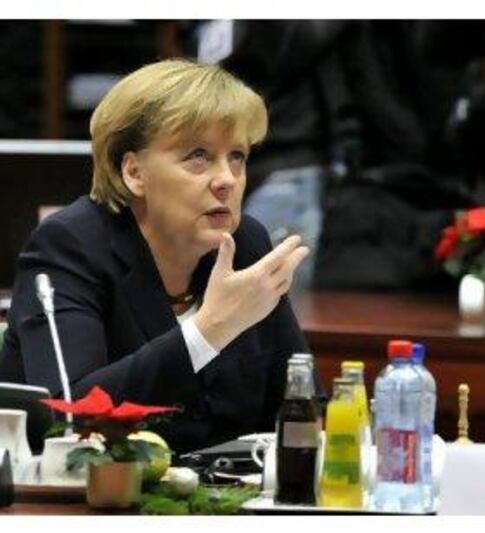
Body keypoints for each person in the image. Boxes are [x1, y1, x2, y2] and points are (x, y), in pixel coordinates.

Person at [0, 60, 313, 453]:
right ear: (134, 173)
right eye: (198, 155)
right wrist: (208, 330)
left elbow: (300, 399)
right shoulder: (70, 246)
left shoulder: (244, 243)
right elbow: (70, 417)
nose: (227, 179)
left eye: (237, 156)